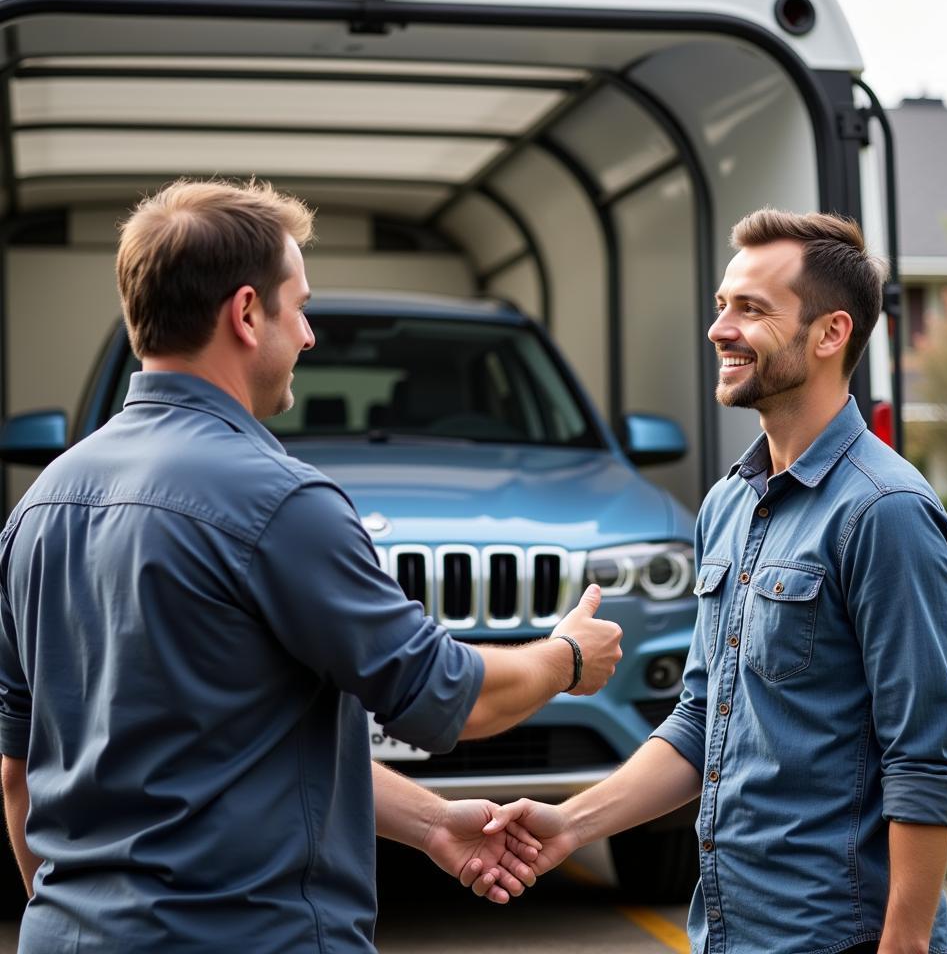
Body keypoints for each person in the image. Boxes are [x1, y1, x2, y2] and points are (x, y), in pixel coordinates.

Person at [0, 178, 622, 954]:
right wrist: (567, 659)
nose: (309, 336)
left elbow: (22, 772)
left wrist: (432, 823)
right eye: (299, 307)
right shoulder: (279, 500)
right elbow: (449, 701)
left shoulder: (39, 507)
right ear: (247, 312)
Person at [487, 209, 947, 954]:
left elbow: (923, 757)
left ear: (830, 333)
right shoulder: (726, 505)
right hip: (727, 931)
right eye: (722, 306)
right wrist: (571, 824)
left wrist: (904, 944)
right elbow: (698, 721)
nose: (720, 329)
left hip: (835, 936)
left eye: (751, 309)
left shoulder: (886, 512)